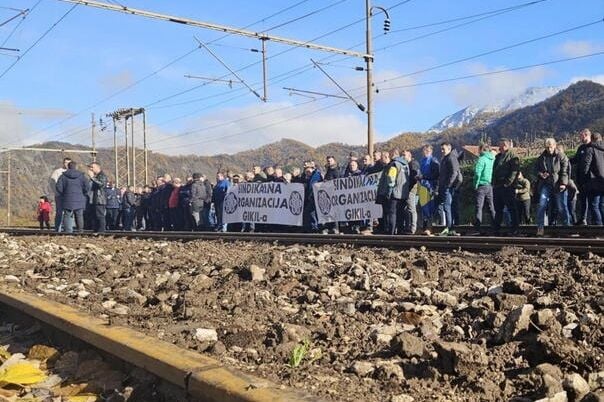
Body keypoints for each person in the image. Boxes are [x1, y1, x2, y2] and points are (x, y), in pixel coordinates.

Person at [535, 138, 570, 236]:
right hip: (546, 184)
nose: (549, 149)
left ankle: (566, 227)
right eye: (547, 147)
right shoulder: (541, 157)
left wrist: (563, 183)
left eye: (550, 147)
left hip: (558, 184)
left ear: (554, 145)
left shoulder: (561, 156)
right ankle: (540, 228)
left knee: (561, 207)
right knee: (542, 205)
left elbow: (565, 171)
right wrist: (540, 174)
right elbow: (536, 169)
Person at [376, 150, 410, 235]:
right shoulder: (405, 165)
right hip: (404, 193)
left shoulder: (394, 164)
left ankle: (391, 232)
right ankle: (400, 230)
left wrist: (389, 191)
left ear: (392, 155)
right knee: (400, 213)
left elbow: (391, 178)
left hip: (395, 193)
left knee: (392, 213)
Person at [493, 138, 520, 235]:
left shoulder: (512, 156)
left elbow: (514, 171)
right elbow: (495, 171)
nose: (499, 148)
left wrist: (508, 183)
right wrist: (494, 184)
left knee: (511, 207)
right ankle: (496, 228)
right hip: (498, 186)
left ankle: (514, 228)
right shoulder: (498, 157)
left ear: (505, 145)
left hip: (507, 186)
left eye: (501, 146)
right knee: (498, 208)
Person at [55, 161, 88, 234]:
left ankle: (68, 232)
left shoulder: (63, 176)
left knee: (67, 215)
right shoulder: (81, 176)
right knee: (79, 215)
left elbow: (59, 187)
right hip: (79, 198)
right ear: (76, 167)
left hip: (67, 198)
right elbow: (87, 187)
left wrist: (63, 193)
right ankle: (80, 231)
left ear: (68, 167)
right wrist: (83, 194)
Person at [437, 142, 461, 236]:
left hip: (448, 187)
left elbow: (454, 172)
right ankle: (450, 227)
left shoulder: (451, 157)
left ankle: (449, 227)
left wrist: (448, 184)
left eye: (444, 149)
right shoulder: (445, 158)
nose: (442, 151)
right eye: (441, 149)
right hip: (444, 186)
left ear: (449, 148)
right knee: (447, 206)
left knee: (447, 206)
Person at [417, 145, 440, 235]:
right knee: (422, 207)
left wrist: (424, 177)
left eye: (427, 150)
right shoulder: (422, 161)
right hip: (422, 186)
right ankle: (422, 227)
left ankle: (429, 227)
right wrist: (419, 177)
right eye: (424, 150)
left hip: (430, 187)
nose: (425, 152)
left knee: (429, 207)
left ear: (431, 151)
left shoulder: (433, 161)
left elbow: (436, 175)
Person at [570, 128, 592, 225]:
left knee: (592, 201)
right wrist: (565, 160)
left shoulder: (592, 147)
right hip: (581, 179)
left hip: (591, 179)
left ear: (587, 135)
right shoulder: (581, 148)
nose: (580, 138)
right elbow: (575, 159)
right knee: (583, 200)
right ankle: (583, 219)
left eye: (582, 136)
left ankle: (593, 221)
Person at [582, 132, 604, 225]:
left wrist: (584, 178)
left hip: (594, 182)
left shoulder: (591, 149)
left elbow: (586, 166)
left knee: (594, 205)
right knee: (602, 205)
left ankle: (599, 227)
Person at [473, 143, 496, 229]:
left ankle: (478, 226)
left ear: (481, 150)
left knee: (479, 206)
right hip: (489, 185)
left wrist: (475, 184)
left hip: (481, 185)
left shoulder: (481, 159)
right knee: (491, 206)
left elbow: (477, 173)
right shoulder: (492, 159)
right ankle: (495, 224)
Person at [49, 157, 71, 231]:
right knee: (59, 212)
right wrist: (56, 192)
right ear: (63, 163)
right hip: (60, 195)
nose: (67, 164)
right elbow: (52, 182)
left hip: (69, 196)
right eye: (66, 162)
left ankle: (67, 228)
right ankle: (57, 229)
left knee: (68, 213)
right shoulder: (57, 172)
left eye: (69, 163)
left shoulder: (72, 172)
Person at [322, 156, 341, 234]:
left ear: (334, 161)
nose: (329, 162)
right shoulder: (328, 170)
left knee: (335, 211)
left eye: (331, 161)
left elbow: (338, 181)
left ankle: (335, 227)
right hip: (328, 193)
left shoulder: (337, 170)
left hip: (335, 193)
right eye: (328, 161)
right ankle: (328, 227)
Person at [87, 162, 108, 233]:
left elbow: (101, 184)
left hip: (100, 199)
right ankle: (96, 230)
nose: (91, 169)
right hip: (94, 199)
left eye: (92, 167)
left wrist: (92, 177)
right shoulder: (96, 176)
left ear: (97, 167)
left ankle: (101, 231)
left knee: (100, 215)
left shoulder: (102, 175)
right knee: (95, 216)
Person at [402, 150, 419, 234]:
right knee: (407, 209)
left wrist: (409, 187)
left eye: (404, 155)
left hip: (411, 189)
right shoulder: (407, 165)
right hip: (408, 188)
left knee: (411, 208)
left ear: (409, 155)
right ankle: (408, 226)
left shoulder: (412, 164)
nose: (403, 157)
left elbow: (414, 177)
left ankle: (413, 228)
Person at [303, 161, 322, 233]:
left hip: (315, 197)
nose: (307, 171)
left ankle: (315, 227)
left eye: (309, 169)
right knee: (310, 213)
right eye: (306, 169)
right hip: (311, 197)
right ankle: (313, 227)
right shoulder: (308, 176)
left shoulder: (316, 175)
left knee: (311, 213)